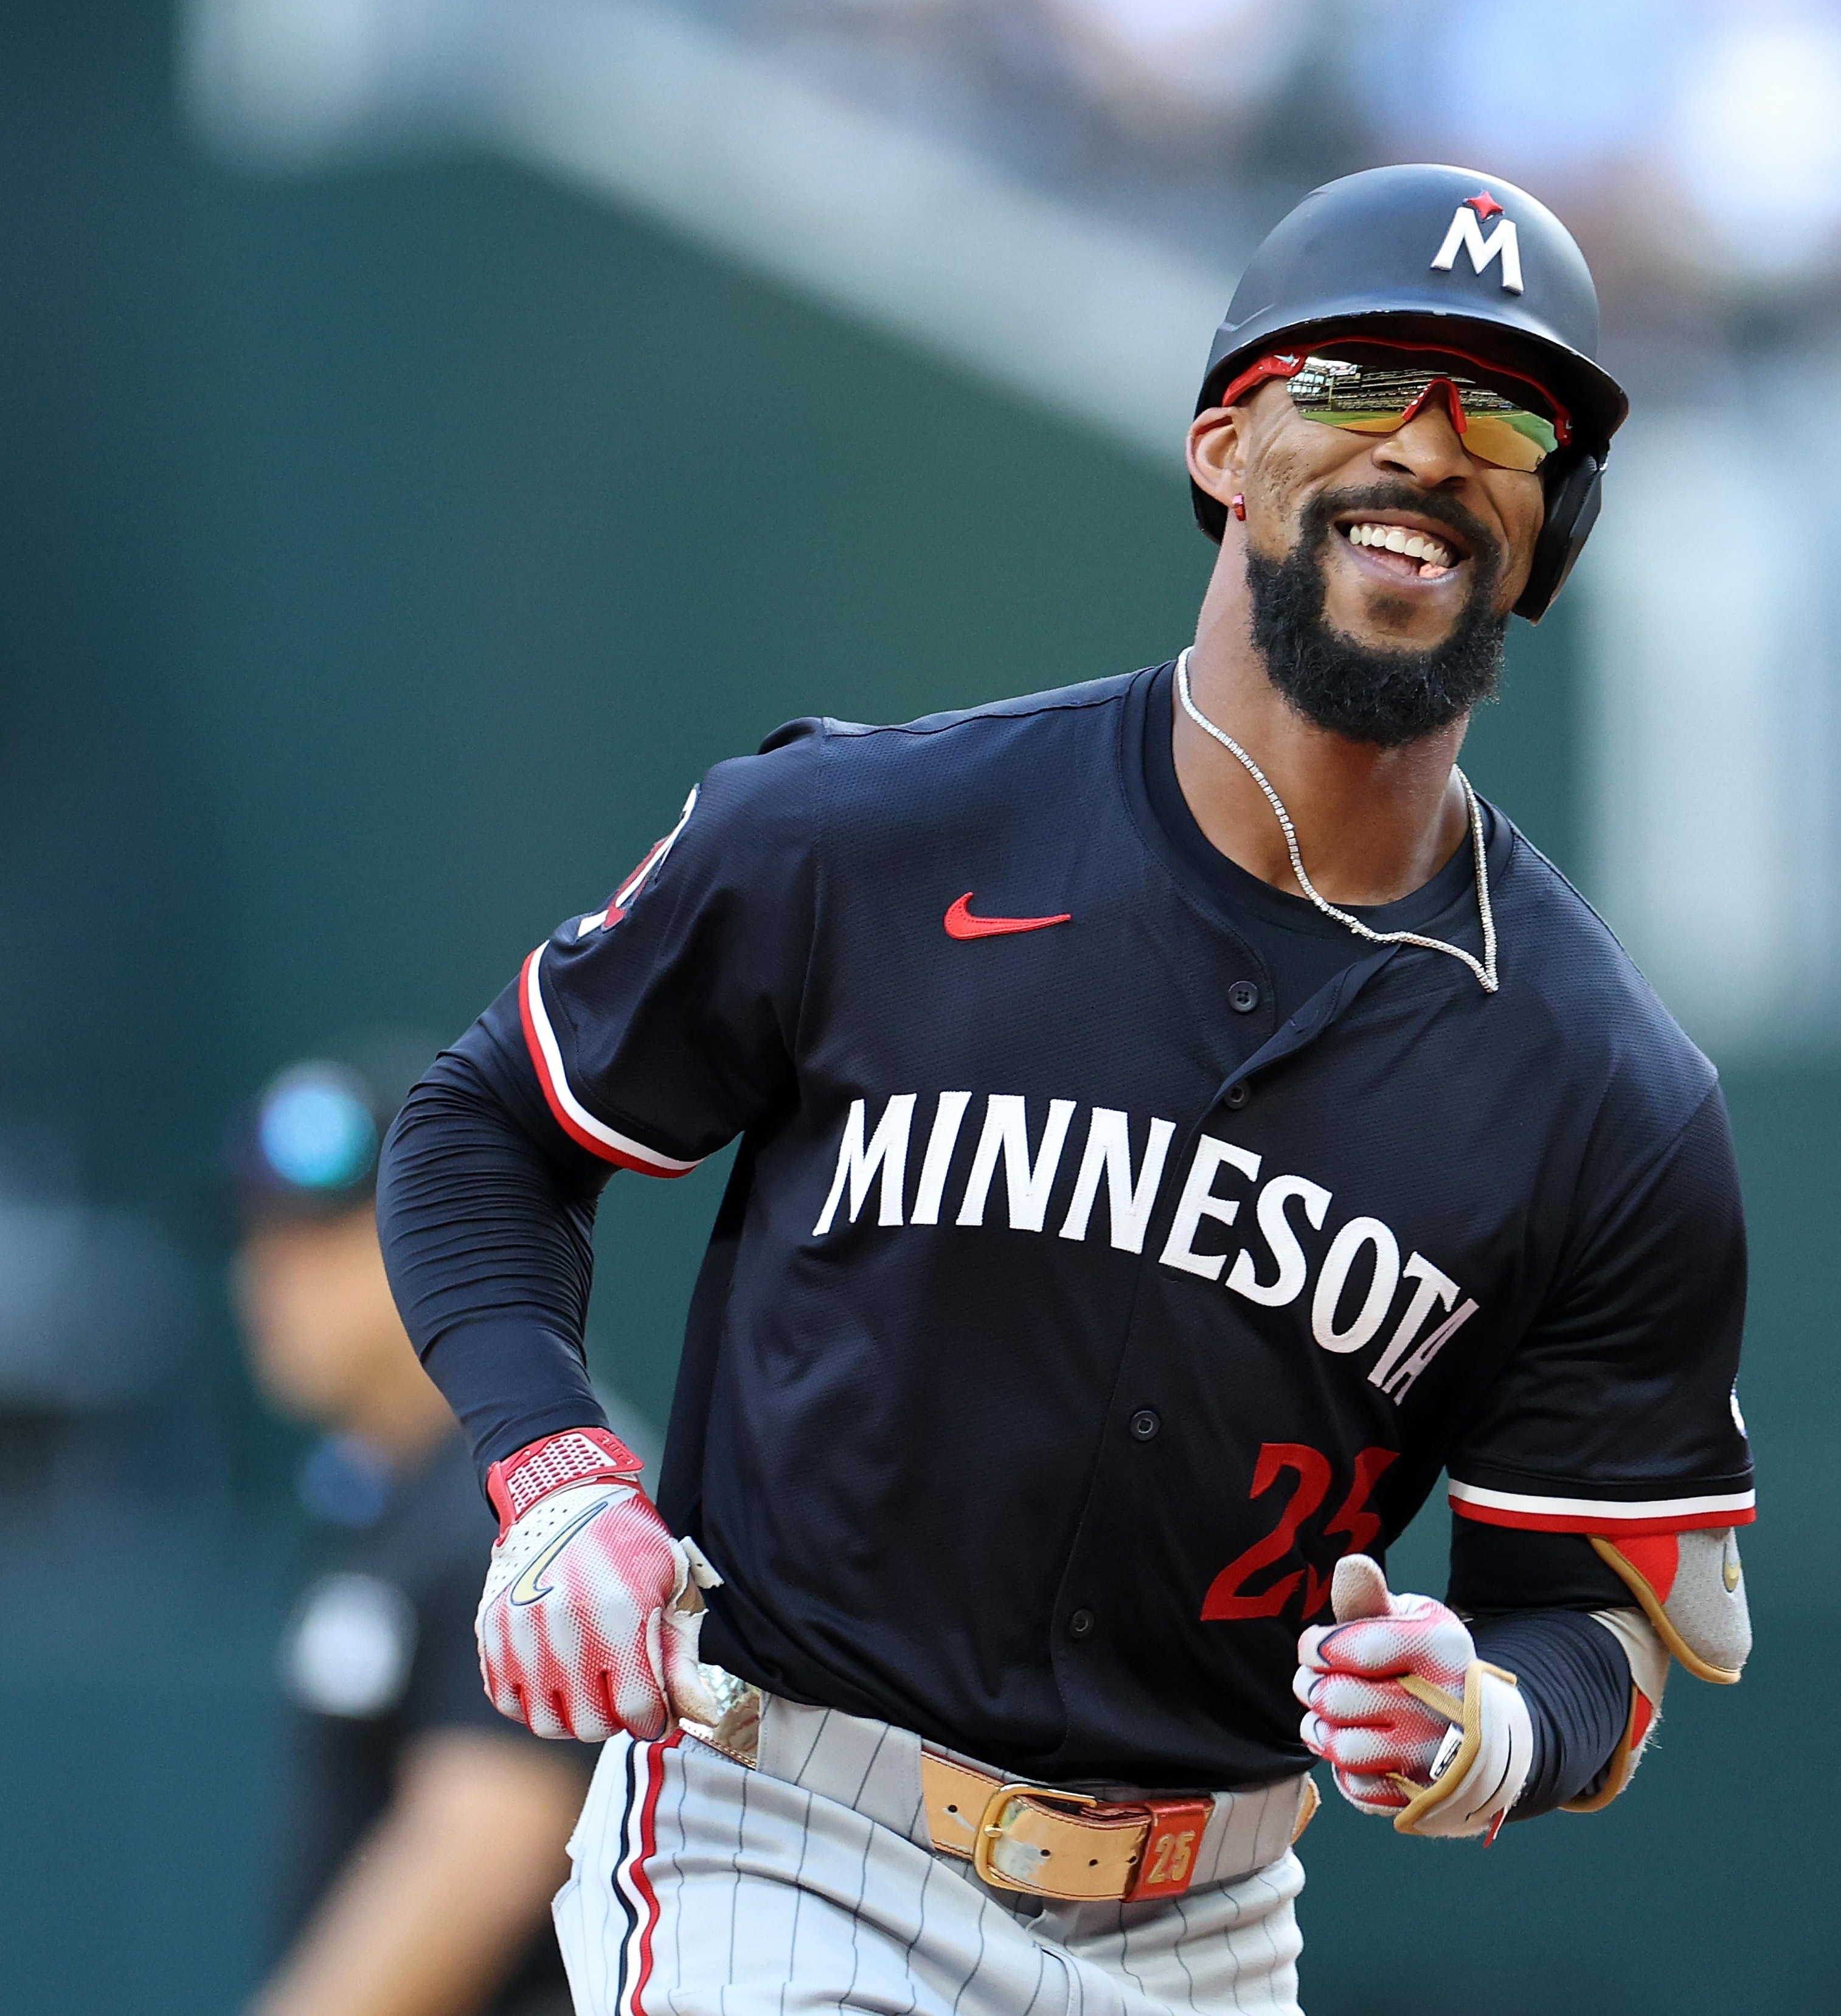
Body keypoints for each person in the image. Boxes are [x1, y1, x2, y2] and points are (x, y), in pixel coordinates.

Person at [376, 164, 1755, 2016]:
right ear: (1224, 446)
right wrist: (550, 1472)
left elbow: (1594, 1621)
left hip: (1208, 1921)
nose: (1427, 445)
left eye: (1499, 410)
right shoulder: (863, 836)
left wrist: (1490, 1722)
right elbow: (487, 1125)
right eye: (1358, 382)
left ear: (1552, 524)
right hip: (789, 1831)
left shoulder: (1608, 1091)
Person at [233, 1057, 594, 2016]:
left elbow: (486, 1847)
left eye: (326, 1238)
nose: (270, 1277)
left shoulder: (538, 1492)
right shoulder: (378, 1495)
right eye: (262, 1238)